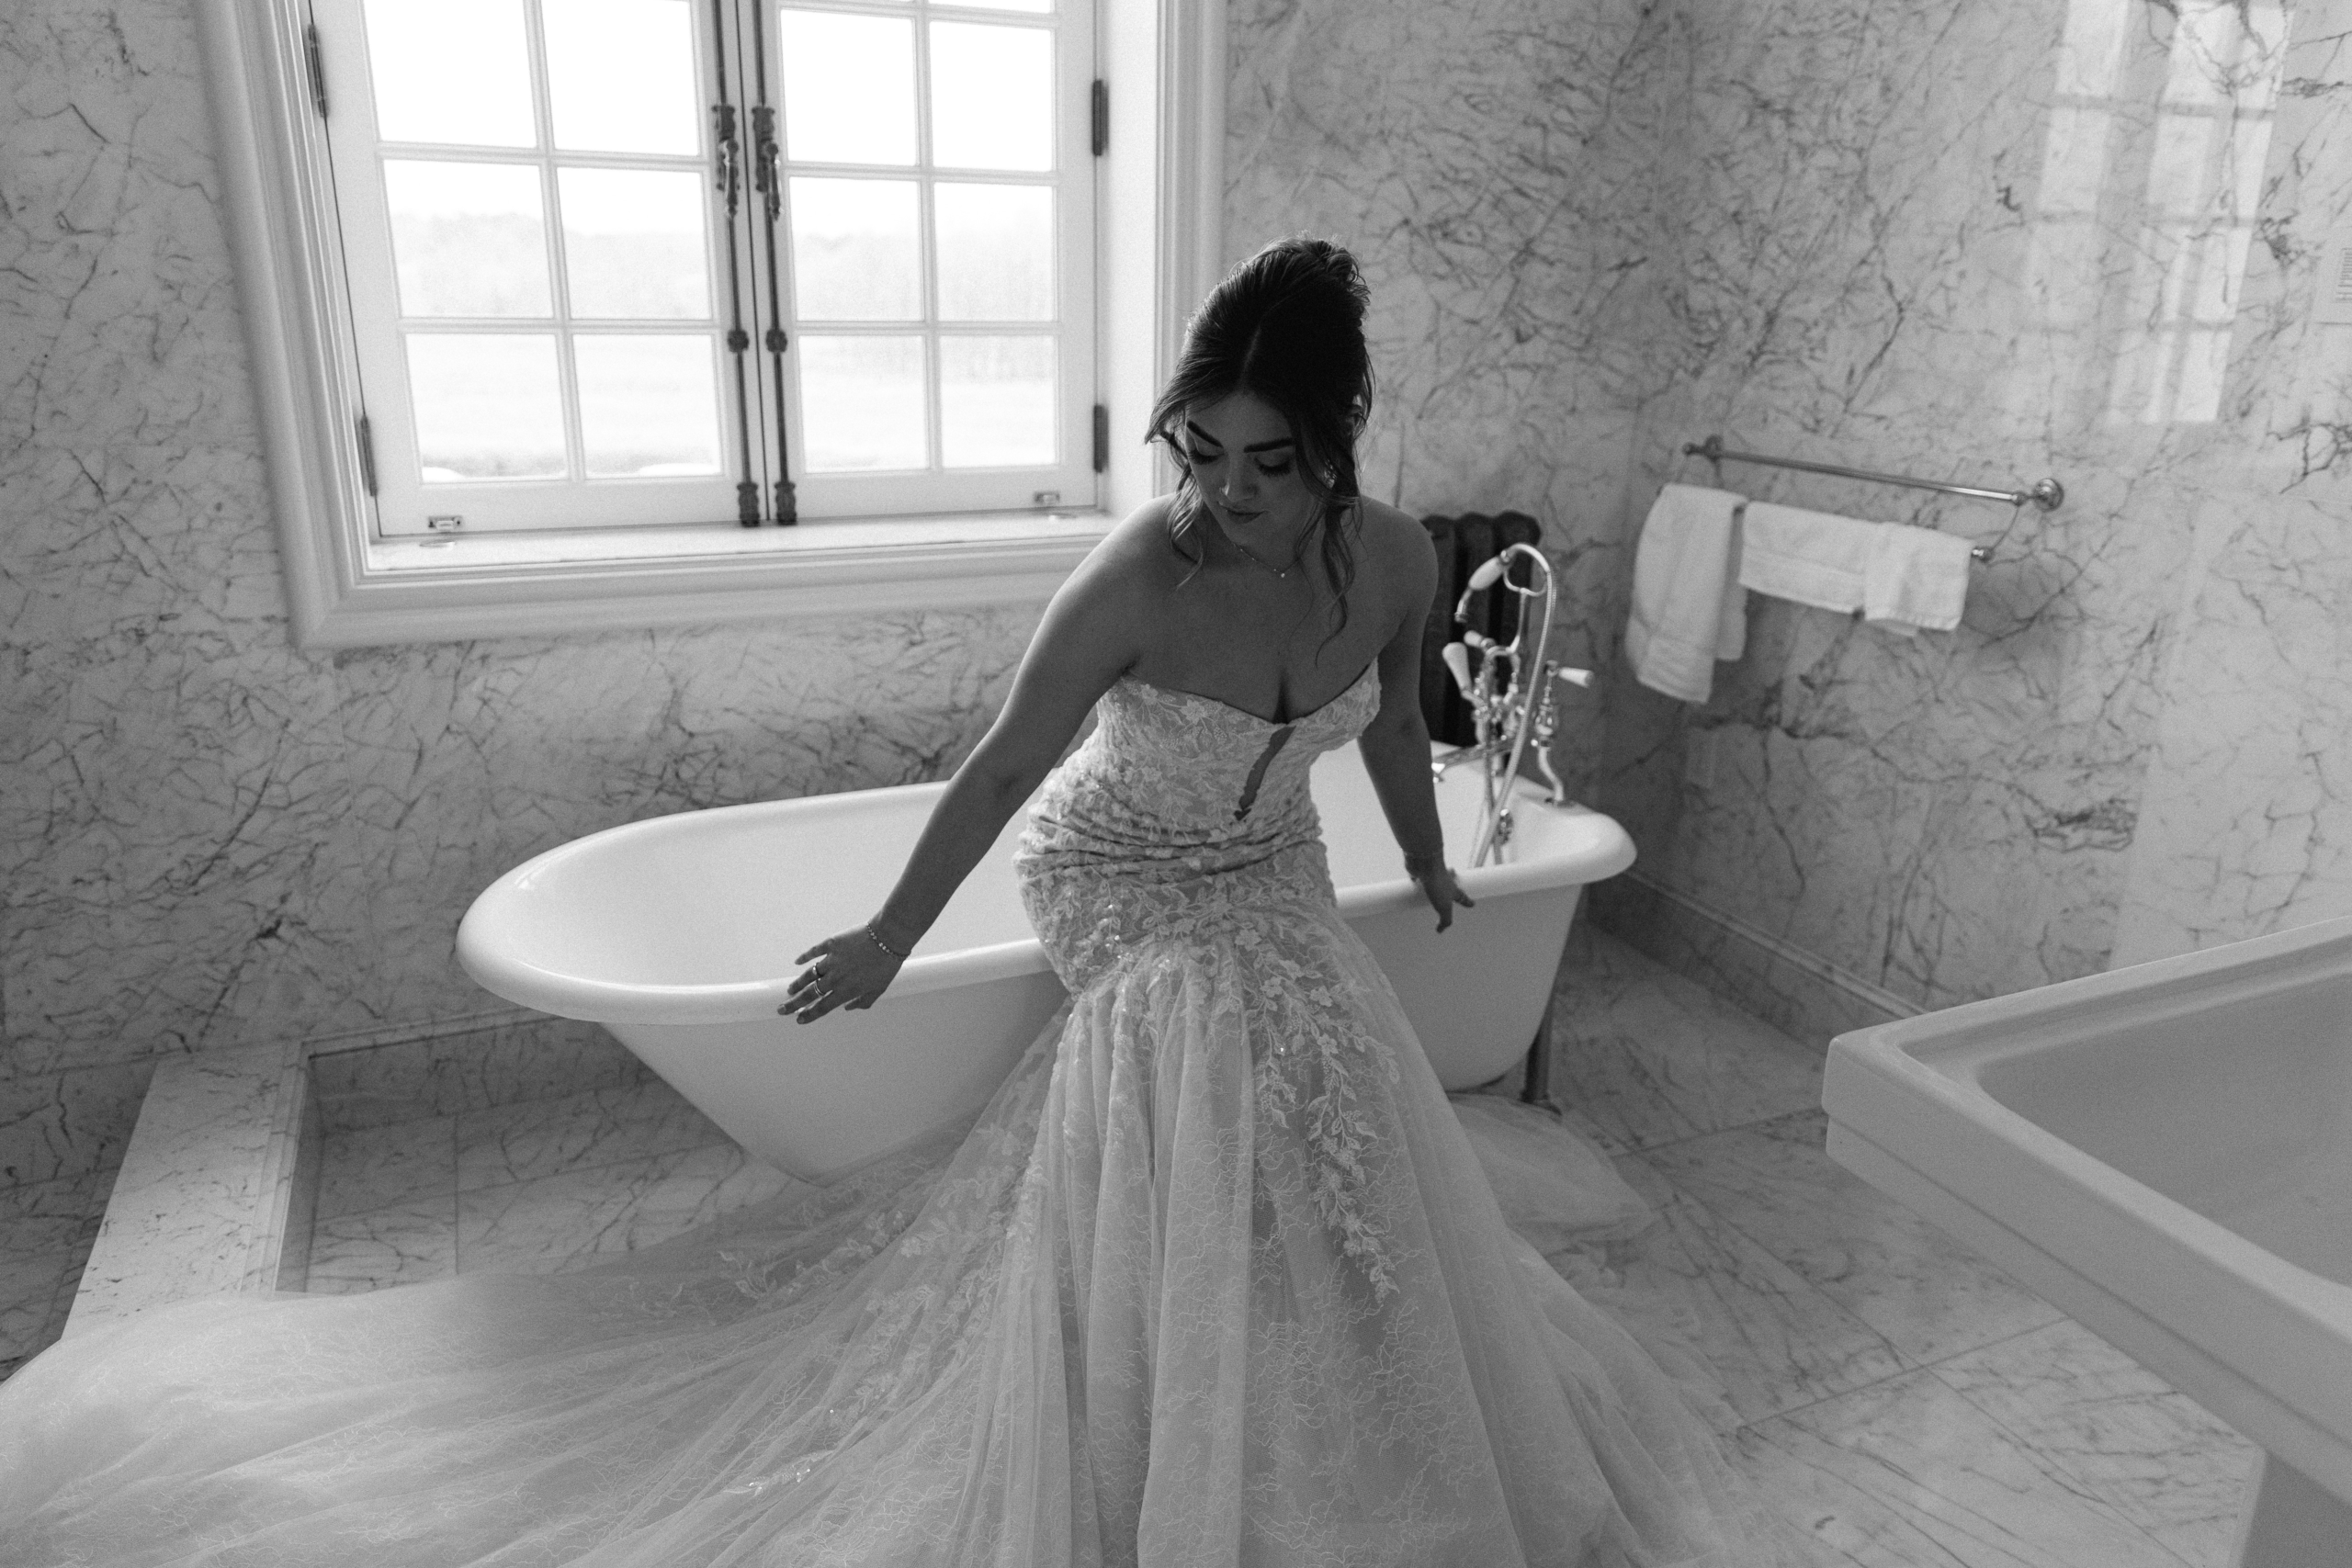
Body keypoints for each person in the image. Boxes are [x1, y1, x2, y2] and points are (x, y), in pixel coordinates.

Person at [0, 239, 1759, 1565]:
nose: (1223, 490)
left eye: (1266, 459)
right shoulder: (1139, 577)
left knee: (1335, 1046)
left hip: (1272, 863)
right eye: (1201, 447)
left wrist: (1433, 853)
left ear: (1339, 444)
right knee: (1216, 1016)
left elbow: (1382, 734)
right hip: (1120, 869)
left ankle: (1324, 1337)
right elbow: (999, 775)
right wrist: (889, 937)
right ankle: (1190, 1370)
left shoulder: (1388, 559)